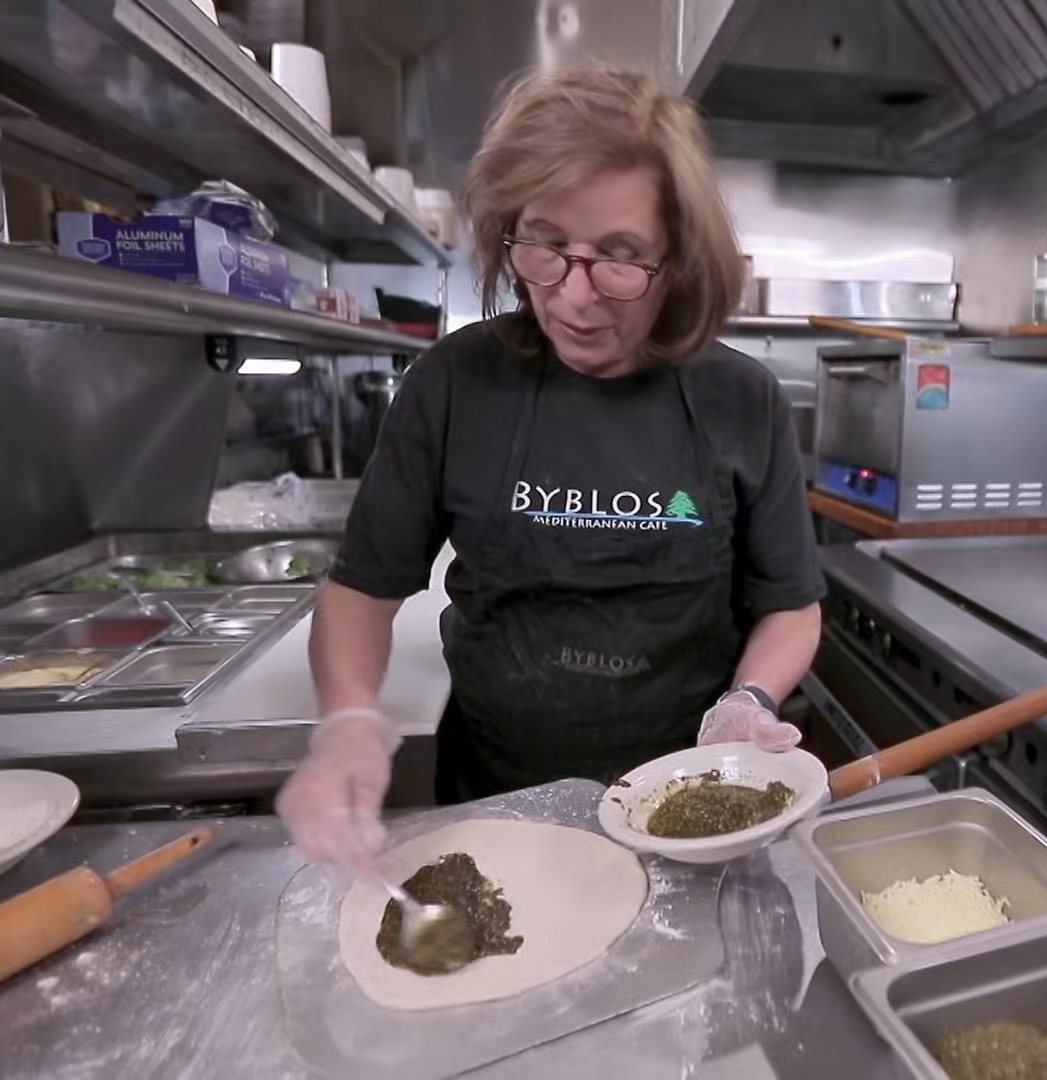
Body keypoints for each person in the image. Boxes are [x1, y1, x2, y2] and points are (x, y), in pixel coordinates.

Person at [277, 66, 824, 866]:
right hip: (495, 808)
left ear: (679, 256)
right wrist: (350, 719)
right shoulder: (453, 384)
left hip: (690, 808)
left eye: (620, 256)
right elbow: (361, 592)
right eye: (547, 245)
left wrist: (747, 702)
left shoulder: (743, 399)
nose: (573, 295)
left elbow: (792, 607)